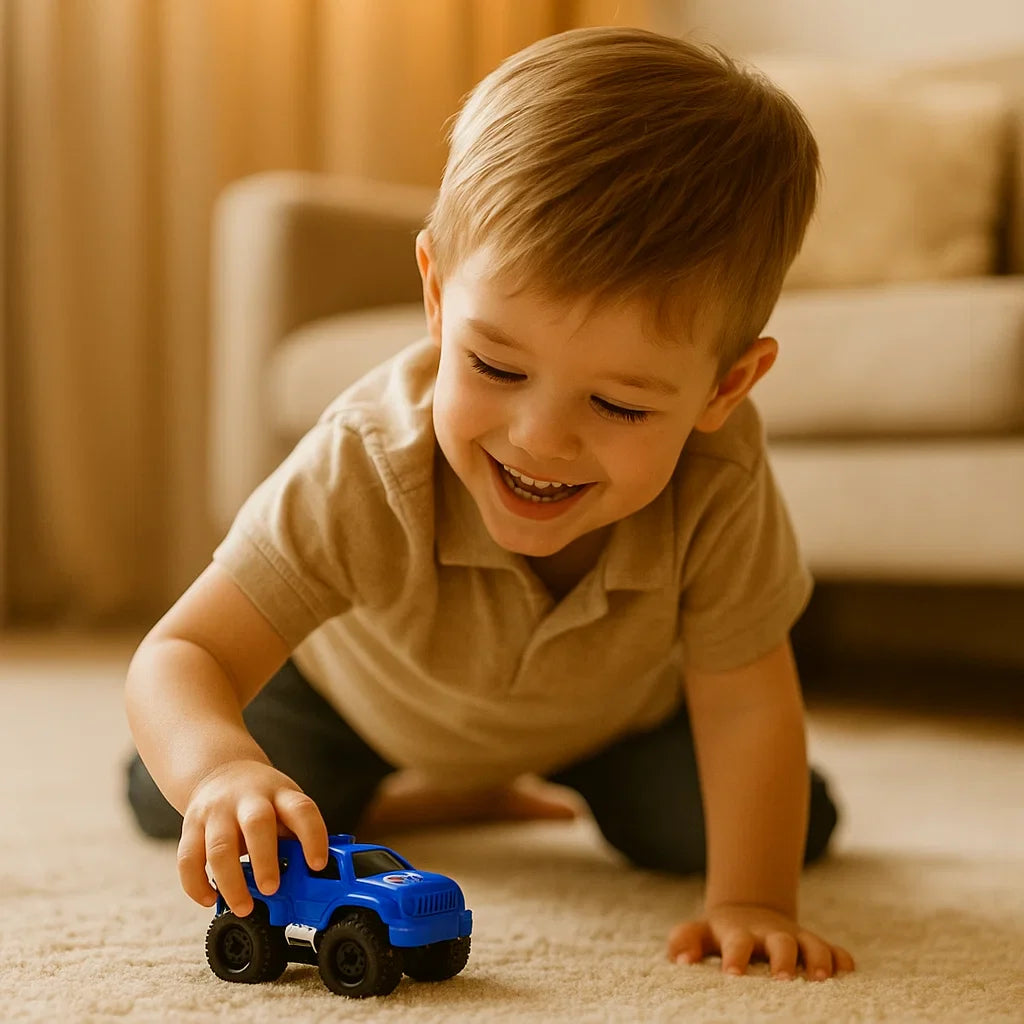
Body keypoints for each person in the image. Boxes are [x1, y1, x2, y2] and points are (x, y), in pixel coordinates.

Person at [125, 26, 855, 982]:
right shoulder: (366, 461)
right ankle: (429, 794)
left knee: (787, 820)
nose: (541, 439)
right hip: (360, 702)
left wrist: (751, 900)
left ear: (725, 388)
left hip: (609, 721)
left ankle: (505, 782)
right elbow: (185, 653)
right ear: (436, 296)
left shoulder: (721, 481)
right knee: (186, 802)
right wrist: (222, 769)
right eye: (495, 365)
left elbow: (747, 701)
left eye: (621, 403)